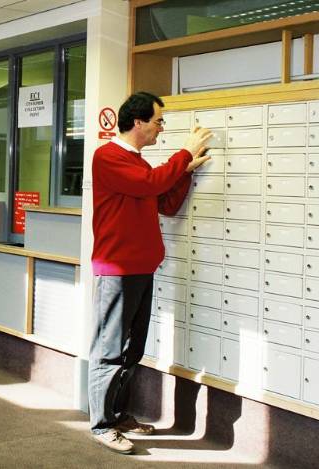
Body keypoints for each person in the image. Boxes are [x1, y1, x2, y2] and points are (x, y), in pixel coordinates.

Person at [89, 92, 212, 454]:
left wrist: (185, 173)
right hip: (117, 269)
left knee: (132, 350)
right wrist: (183, 154)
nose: (161, 128)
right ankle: (101, 425)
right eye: (158, 121)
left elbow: (166, 203)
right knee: (109, 349)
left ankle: (118, 415)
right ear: (138, 122)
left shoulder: (138, 164)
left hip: (141, 267)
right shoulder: (108, 156)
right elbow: (151, 185)